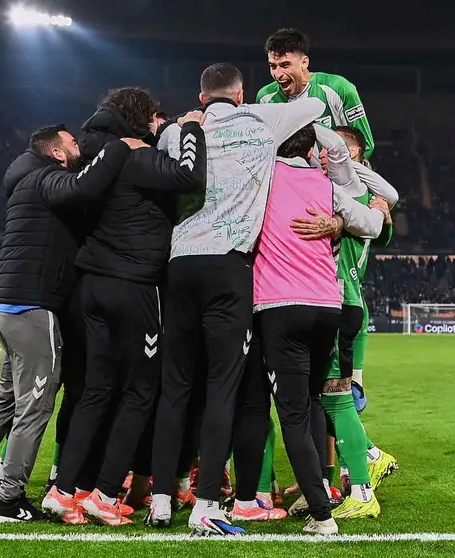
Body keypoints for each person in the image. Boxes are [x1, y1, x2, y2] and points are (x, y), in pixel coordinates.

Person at [145, 62, 328, 536]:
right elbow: (315, 103)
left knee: (175, 387)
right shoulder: (262, 123)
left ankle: (161, 499)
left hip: (180, 263)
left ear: (201, 97)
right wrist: (265, 103)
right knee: (222, 387)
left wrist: (185, 123)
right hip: (229, 267)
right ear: (241, 94)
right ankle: (208, 503)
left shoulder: (179, 132)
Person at [0, 126, 146, 523]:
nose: (78, 147)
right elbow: (84, 187)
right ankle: (10, 498)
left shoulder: (27, 182)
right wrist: (120, 147)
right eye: (72, 143)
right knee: (35, 406)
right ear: (56, 152)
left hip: (9, 306)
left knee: (6, 399)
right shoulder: (47, 178)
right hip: (33, 308)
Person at [44, 88, 207, 526]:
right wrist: (192, 129)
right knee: (140, 392)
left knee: (96, 390)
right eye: (153, 117)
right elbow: (190, 174)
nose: (157, 124)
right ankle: (104, 493)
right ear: (139, 119)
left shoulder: (97, 157)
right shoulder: (138, 158)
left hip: (92, 283)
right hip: (134, 285)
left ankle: (64, 490)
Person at [232, 124, 390, 535]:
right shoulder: (328, 186)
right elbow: (374, 223)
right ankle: (320, 485)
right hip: (327, 308)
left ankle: (323, 509)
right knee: (317, 402)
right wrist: (346, 220)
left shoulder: (261, 180)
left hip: (281, 306)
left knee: (292, 412)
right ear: (308, 148)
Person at [257, 28, 374, 160]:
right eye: (273, 66)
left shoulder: (338, 88)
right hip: (289, 171)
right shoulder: (265, 98)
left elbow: (365, 146)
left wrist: (341, 171)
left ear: (304, 63)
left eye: (285, 65)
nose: (277, 74)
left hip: (335, 172)